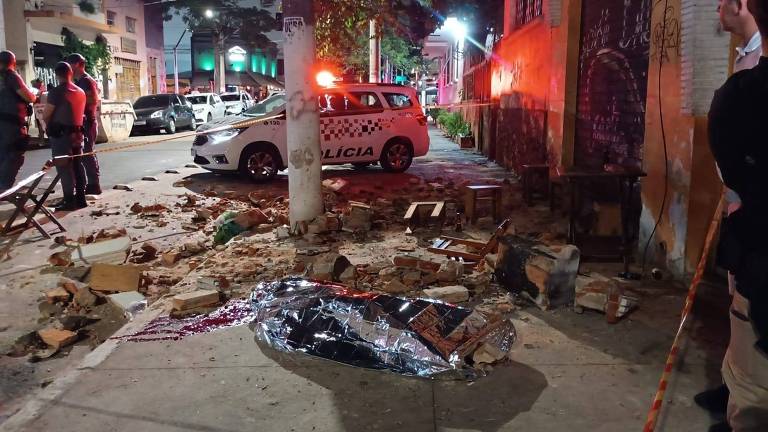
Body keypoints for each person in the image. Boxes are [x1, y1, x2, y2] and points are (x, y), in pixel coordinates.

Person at [696, 3, 763, 429]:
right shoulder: (744, 57)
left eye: (723, 2)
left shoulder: (755, 71)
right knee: (738, 296)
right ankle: (732, 384)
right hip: (742, 201)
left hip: (755, 208)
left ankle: (748, 401)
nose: (717, 10)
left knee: (753, 304)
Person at [43, 62, 87, 211]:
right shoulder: (80, 91)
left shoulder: (56, 92)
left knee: (64, 168)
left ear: (57, 75)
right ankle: (81, 198)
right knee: (78, 165)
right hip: (78, 134)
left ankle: (69, 200)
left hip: (61, 135)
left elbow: (47, 114)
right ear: (71, 73)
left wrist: (48, 127)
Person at [65, 53, 101, 195]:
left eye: (70, 65)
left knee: (87, 153)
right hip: (82, 122)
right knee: (83, 154)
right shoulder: (79, 81)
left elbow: (93, 99)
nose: (69, 69)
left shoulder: (86, 80)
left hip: (87, 122)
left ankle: (94, 184)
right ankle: (88, 184)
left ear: (78, 64)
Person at [0, 51, 36, 191]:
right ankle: (4, 187)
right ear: (13, 62)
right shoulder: (11, 76)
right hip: (12, 123)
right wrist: (35, 96)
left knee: (2, 154)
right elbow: (28, 96)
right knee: (14, 154)